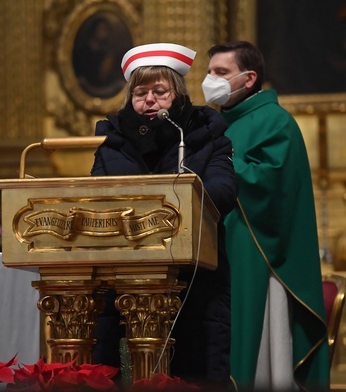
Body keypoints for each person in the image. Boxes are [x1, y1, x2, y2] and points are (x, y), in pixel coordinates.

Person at [91, 43, 238, 390]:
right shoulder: (109, 140)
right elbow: (96, 195)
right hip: (120, 278)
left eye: (160, 92)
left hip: (195, 280)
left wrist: (178, 196)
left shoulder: (206, 135)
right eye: (141, 93)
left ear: (179, 95)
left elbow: (224, 191)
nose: (150, 101)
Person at [202, 41, 329, 391]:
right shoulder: (215, 123)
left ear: (249, 77)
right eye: (209, 71)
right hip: (215, 251)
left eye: (221, 73)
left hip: (260, 254)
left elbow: (270, 186)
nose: (210, 79)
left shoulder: (276, 121)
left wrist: (215, 162)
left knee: (260, 357)